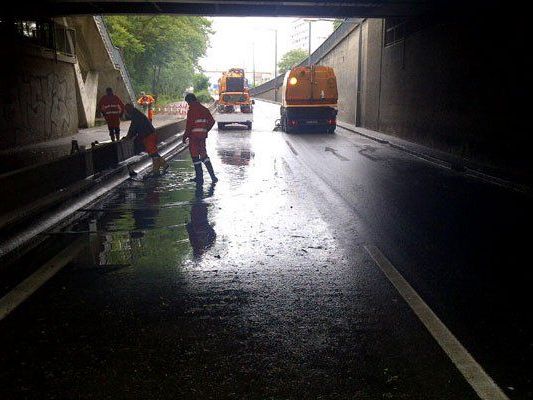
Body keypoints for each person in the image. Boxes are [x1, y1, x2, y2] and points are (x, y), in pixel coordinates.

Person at [124, 103, 169, 176]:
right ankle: (164, 164)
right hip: (150, 134)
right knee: (153, 153)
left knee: (153, 154)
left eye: (126, 111)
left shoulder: (136, 116)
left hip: (148, 136)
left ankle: (156, 172)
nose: (126, 113)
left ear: (129, 110)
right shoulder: (137, 114)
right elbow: (134, 128)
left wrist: (128, 137)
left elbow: (133, 128)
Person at [183, 93, 217, 185]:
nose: (188, 104)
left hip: (194, 137)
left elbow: (189, 125)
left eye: (188, 102)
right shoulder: (204, 109)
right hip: (202, 137)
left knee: (195, 156)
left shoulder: (192, 110)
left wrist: (185, 136)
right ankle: (213, 177)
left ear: (190, 101)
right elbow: (212, 121)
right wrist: (205, 130)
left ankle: (199, 178)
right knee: (204, 155)